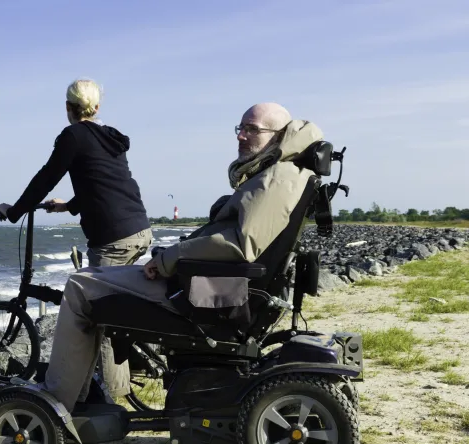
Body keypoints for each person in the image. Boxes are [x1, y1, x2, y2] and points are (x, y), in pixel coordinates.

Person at [37, 103, 326, 412]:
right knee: (90, 280)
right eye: (240, 129)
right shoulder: (283, 172)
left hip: (205, 293)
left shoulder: (276, 179)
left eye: (252, 130)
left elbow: (243, 244)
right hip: (214, 284)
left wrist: (170, 259)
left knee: (80, 286)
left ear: (279, 135)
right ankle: (81, 395)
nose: (241, 137)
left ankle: (56, 402)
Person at [0, 79, 152, 398]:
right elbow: (102, 184)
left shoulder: (73, 136)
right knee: (108, 308)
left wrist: (14, 211)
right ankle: (85, 391)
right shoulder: (108, 138)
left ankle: (112, 398)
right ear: (96, 108)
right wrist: (68, 206)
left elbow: (45, 178)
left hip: (113, 239)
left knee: (100, 318)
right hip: (138, 229)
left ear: (68, 108)